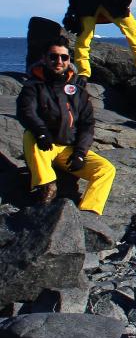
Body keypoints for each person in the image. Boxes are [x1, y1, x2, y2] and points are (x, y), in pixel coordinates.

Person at [17, 36, 116, 214]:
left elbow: (87, 124)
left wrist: (79, 153)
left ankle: (89, 212)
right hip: (43, 145)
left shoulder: (78, 91)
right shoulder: (33, 86)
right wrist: (41, 132)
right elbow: (26, 111)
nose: (59, 61)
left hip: (67, 150)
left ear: (69, 59)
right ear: (44, 58)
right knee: (30, 135)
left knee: (106, 170)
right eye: (53, 56)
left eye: (64, 57)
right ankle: (47, 186)